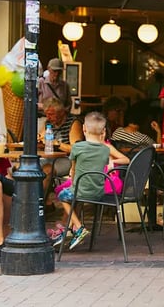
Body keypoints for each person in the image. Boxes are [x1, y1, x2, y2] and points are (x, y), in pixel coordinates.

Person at [51, 111, 130, 250]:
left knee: (63, 196)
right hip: (98, 192)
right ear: (103, 131)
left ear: (83, 129)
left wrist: (72, 177)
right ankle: (69, 230)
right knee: (73, 196)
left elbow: (73, 170)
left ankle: (79, 228)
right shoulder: (105, 150)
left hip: (81, 190)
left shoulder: (77, 147)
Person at [39, 98, 84, 195]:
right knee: (25, 167)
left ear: (61, 112)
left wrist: (57, 143)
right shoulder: (49, 123)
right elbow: (42, 138)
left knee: (47, 170)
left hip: (69, 160)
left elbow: (75, 149)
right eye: (46, 114)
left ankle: (41, 204)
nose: (48, 117)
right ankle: (46, 203)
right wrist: (39, 140)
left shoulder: (73, 122)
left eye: (51, 114)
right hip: (50, 157)